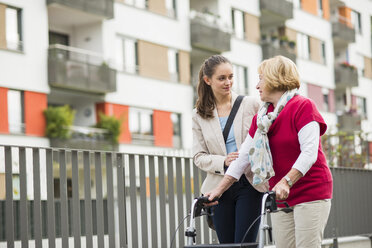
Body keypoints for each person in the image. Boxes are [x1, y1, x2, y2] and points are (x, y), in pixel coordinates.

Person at [205, 55, 333, 248]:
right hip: (281, 196)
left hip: (310, 192)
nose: (257, 86)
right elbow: (243, 158)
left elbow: (309, 152)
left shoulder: (303, 106)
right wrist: (218, 190)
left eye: (261, 79)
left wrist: (286, 181)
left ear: (276, 79)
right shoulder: (262, 118)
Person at [192, 54, 267, 244]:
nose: (228, 82)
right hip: (218, 188)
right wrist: (223, 161)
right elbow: (198, 156)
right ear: (207, 80)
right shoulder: (199, 115)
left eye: (231, 77)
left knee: (245, 243)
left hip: (249, 184)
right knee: (226, 244)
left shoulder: (251, 104)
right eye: (222, 78)